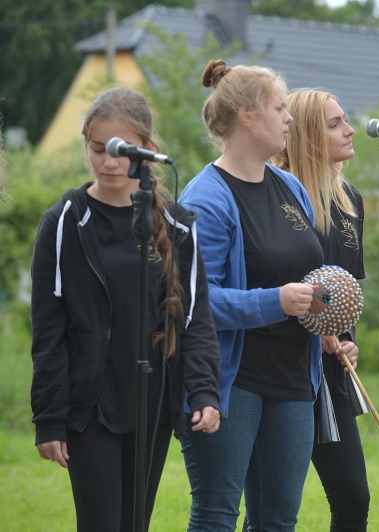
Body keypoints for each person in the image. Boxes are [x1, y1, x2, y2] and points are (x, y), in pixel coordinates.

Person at [30, 86, 221, 532]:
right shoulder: (64, 221)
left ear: (146, 149)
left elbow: (195, 318)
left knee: (135, 524)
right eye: (98, 149)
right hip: (90, 405)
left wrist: (204, 391)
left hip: (152, 404)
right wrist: (50, 418)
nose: (109, 162)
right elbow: (48, 329)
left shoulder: (177, 224)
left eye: (119, 150)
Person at [178, 60, 359, 531]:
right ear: (247, 116)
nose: (289, 118)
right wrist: (275, 301)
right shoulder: (206, 198)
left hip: (294, 378)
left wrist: (324, 323)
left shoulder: (290, 187)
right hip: (232, 380)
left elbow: (303, 273)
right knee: (217, 515)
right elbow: (196, 301)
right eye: (280, 108)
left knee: (279, 520)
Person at [273, 88, 370, 531]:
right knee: (273, 506)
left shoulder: (351, 200)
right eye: (335, 124)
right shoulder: (278, 196)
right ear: (308, 135)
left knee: (353, 499)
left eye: (344, 120)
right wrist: (315, 321)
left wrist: (347, 338)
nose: (350, 130)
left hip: (331, 372)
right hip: (282, 365)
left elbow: (345, 290)